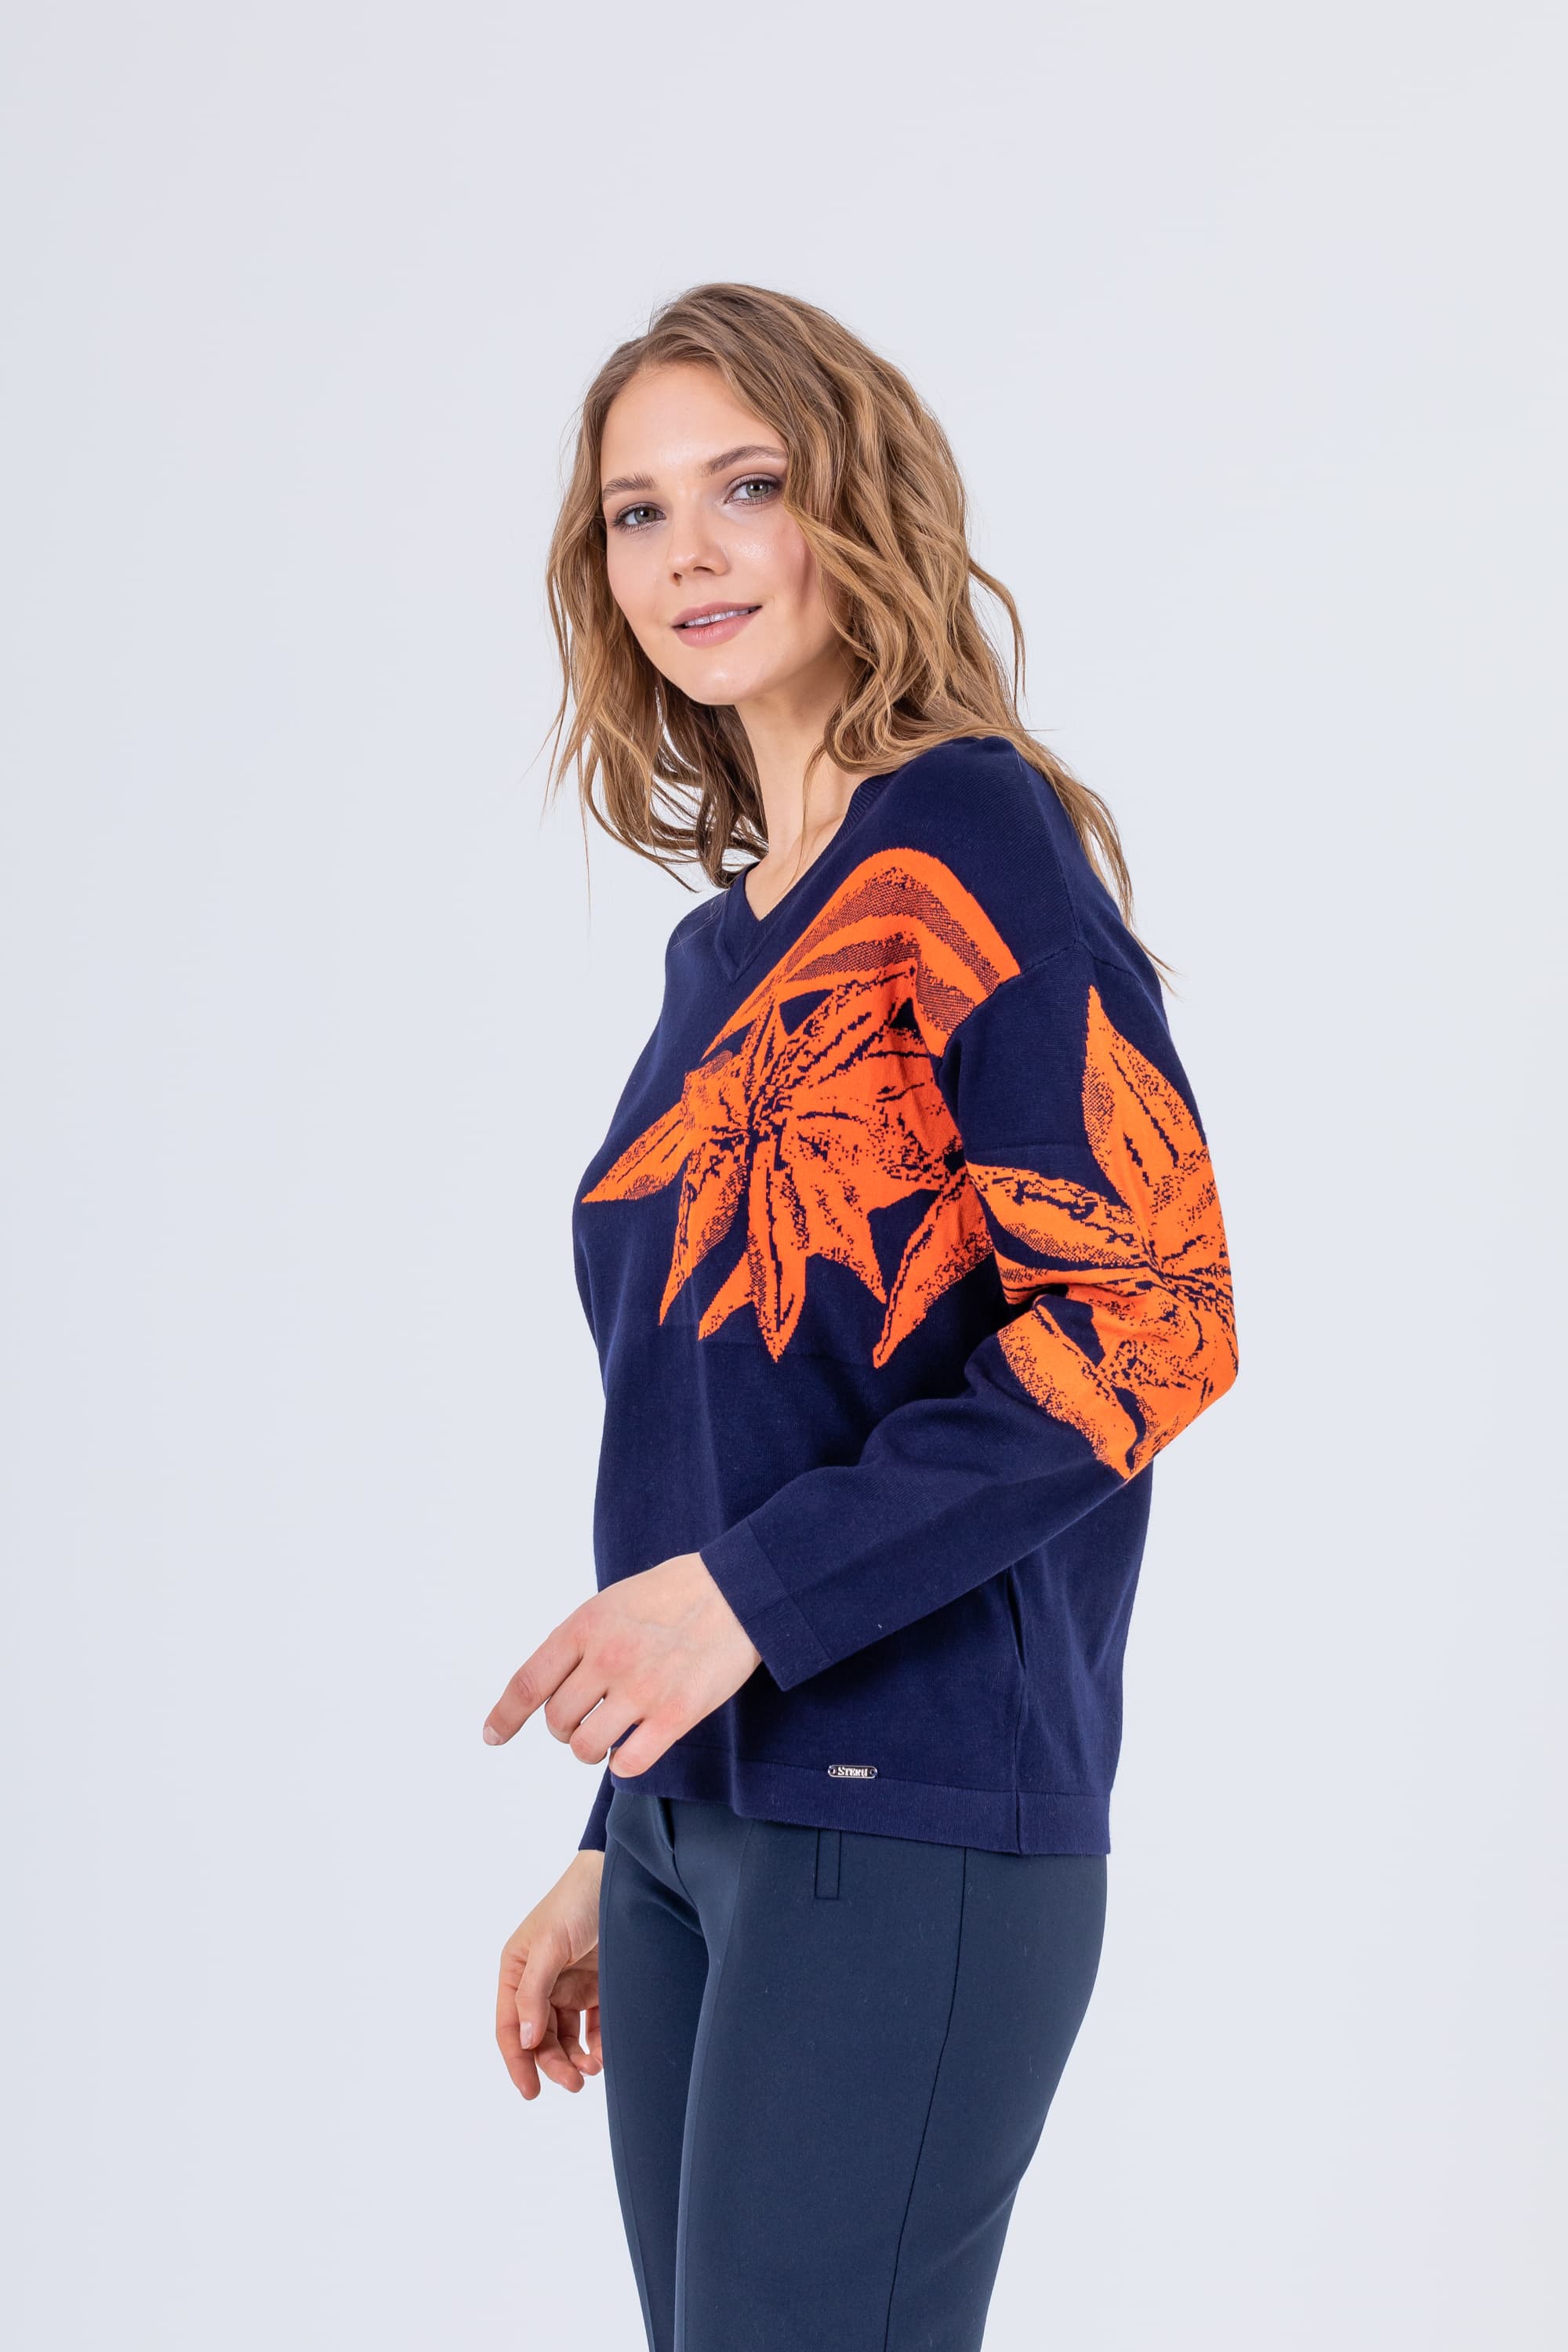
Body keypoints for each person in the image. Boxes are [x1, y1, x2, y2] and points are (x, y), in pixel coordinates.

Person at [484, 281, 1239, 2352]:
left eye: (748, 486)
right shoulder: (716, 959)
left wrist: (740, 1609)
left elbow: (1151, 1316)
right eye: (638, 512)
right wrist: (620, 1824)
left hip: (909, 1807)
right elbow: (716, 1422)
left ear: (860, 506)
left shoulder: (967, 837)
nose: (690, 553)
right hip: (696, 1821)